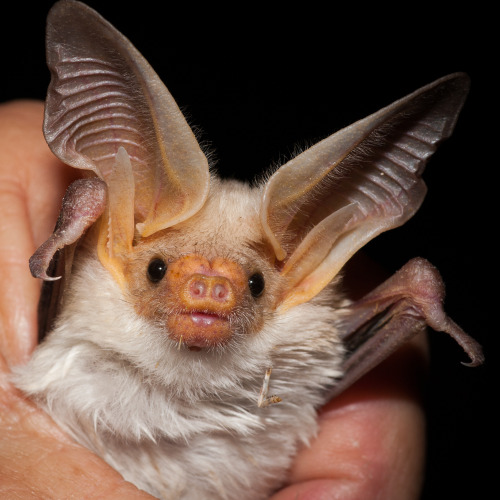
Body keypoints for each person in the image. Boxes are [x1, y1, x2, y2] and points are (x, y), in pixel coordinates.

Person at [0, 100, 427, 499]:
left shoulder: (296, 343)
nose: (207, 291)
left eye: (254, 285)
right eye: (158, 270)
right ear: (118, 248)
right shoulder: (92, 288)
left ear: (300, 278)